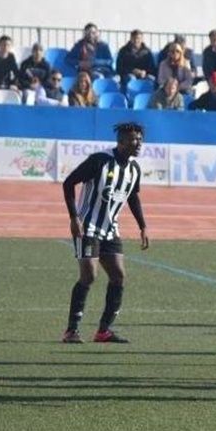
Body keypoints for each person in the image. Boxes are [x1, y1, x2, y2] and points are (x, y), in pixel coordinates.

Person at [60, 122, 150, 344]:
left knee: (118, 276)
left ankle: (104, 331)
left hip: (111, 229)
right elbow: (68, 183)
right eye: (133, 139)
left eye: (140, 138)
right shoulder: (99, 160)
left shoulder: (134, 168)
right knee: (89, 276)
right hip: (87, 227)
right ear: (120, 141)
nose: (138, 143)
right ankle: (71, 331)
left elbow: (132, 196)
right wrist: (74, 217)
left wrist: (142, 226)